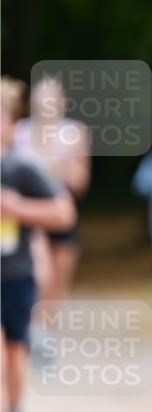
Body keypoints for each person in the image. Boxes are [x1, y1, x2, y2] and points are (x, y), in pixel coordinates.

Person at [1, 78, 76, 412]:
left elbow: (64, 213)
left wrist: (16, 208)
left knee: (14, 354)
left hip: (14, 274)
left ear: (12, 123)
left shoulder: (21, 168)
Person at [12, 77, 90, 316]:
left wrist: (59, 169)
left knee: (59, 279)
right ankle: (30, 324)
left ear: (61, 103)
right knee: (38, 276)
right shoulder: (18, 131)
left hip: (60, 210)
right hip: (27, 213)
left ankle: (48, 326)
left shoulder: (73, 132)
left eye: (51, 101)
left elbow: (81, 182)